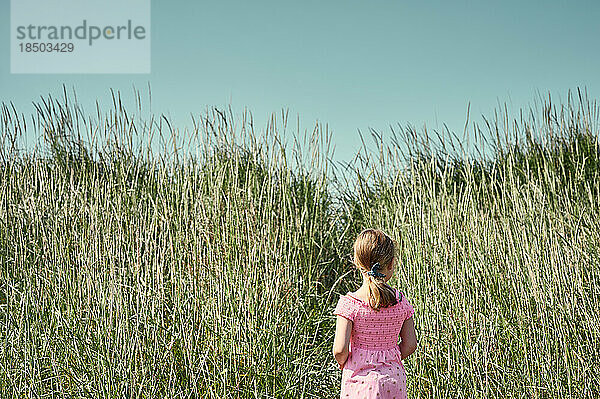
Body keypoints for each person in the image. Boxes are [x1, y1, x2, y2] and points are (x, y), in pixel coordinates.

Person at [332, 228, 417, 399]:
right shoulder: (401, 302)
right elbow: (410, 344)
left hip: (359, 384)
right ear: (391, 263)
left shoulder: (349, 305)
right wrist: (390, 359)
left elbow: (340, 350)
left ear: (356, 262)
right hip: (394, 381)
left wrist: (347, 363)